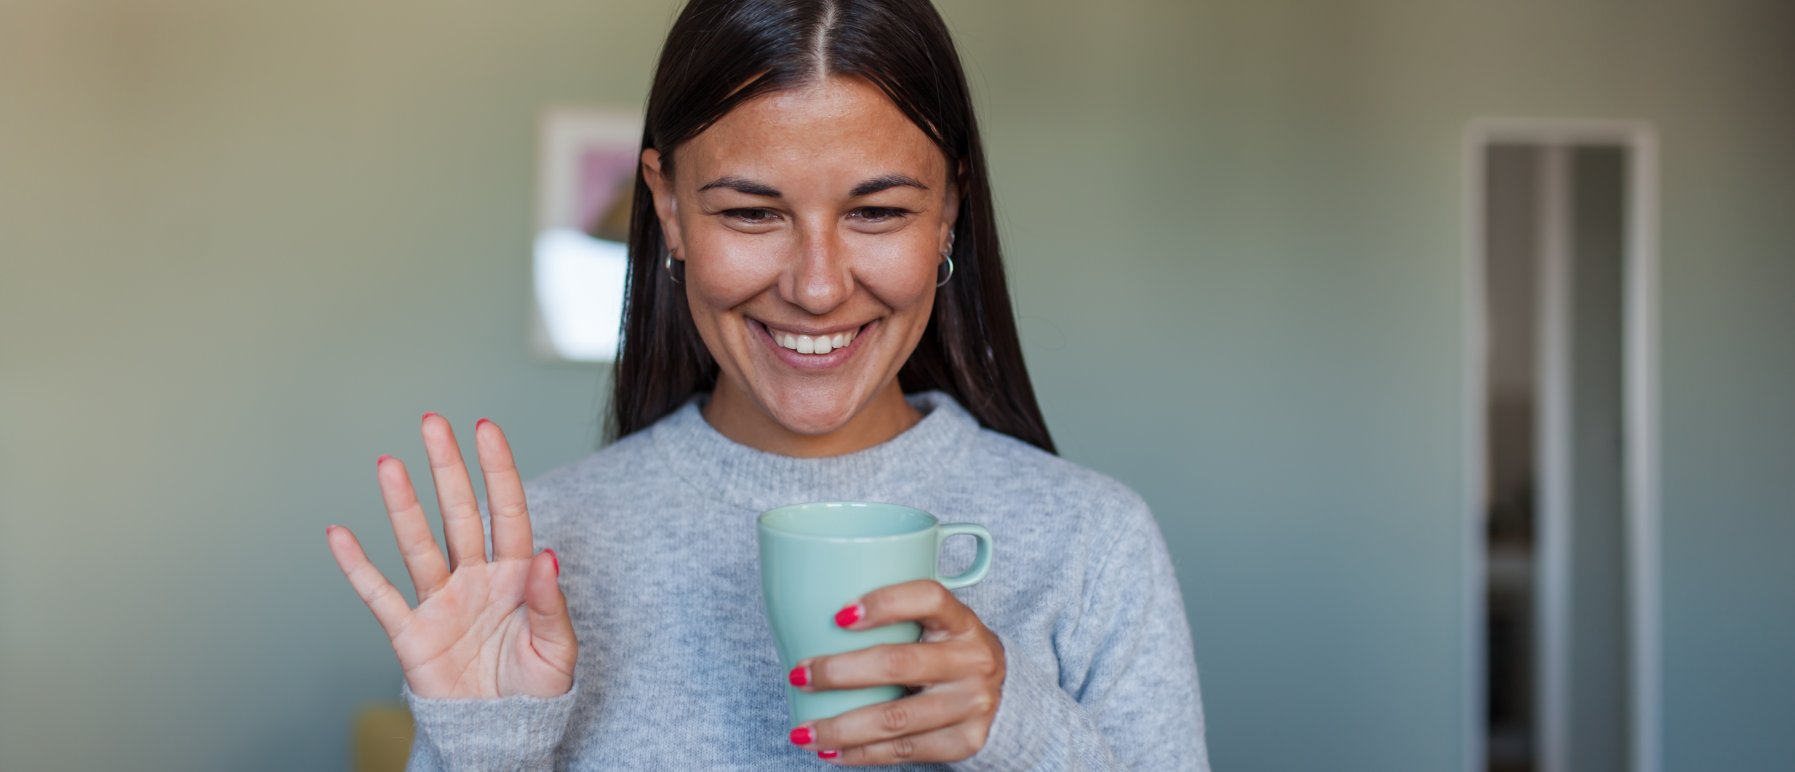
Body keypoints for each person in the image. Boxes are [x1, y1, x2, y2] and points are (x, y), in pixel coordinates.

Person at [324, 0, 1211, 768]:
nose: (817, 286)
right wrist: (489, 750)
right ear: (668, 208)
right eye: (751, 213)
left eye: (879, 211)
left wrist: (1020, 733)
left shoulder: (1092, 545)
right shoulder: (539, 560)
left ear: (948, 213)